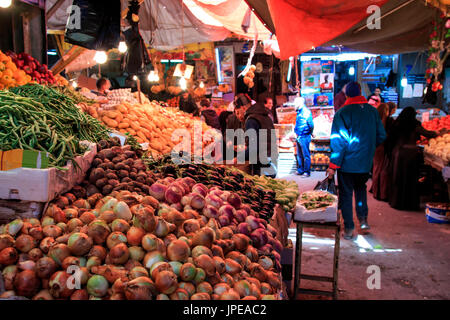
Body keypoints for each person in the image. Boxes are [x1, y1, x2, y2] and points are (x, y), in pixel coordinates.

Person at [326, 81, 386, 240]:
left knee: (345, 195)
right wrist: (368, 149)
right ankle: (363, 220)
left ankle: (349, 228)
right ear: (360, 92)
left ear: (346, 95)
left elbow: (339, 142)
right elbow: (381, 135)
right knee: (361, 191)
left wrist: (333, 165)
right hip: (365, 163)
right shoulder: (372, 112)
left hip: (347, 164)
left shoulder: (342, 113)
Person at [385, 107, 439, 211]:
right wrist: (436, 133)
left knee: (398, 178)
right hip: (410, 154)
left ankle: (397, 202)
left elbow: (390, 139)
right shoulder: (414, 124)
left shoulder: (397, 123)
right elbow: (427, 134)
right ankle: (408, 203)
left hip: (398, 153)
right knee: (409, 179)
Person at [242, 94, 277, 177]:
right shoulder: (266, 116)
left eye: (238, 111)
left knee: (261, 187)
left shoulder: (251, 119)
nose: (239, 115)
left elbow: (253, 146)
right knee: (269, 185)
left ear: (243, 108)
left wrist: (240, 157)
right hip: (270, 157)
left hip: (259, 161)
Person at [371, 103, 391, 201]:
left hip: (374, 147)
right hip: (381, 147)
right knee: (381, 170)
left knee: (376, 168)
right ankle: (380, 193)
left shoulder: (373, 120)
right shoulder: (385, 122)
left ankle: (375, 191)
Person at [294, 96, 314, 177]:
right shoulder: (299, 111)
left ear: (300, 103)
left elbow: (311, 124)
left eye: (295, 103)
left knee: (306, 155)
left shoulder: (306, 112)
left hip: (304, 136)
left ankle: (307, 171)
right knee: (299, 154)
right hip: (299, 135)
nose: (294, 104)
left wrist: (310, 132)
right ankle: (300, 170)